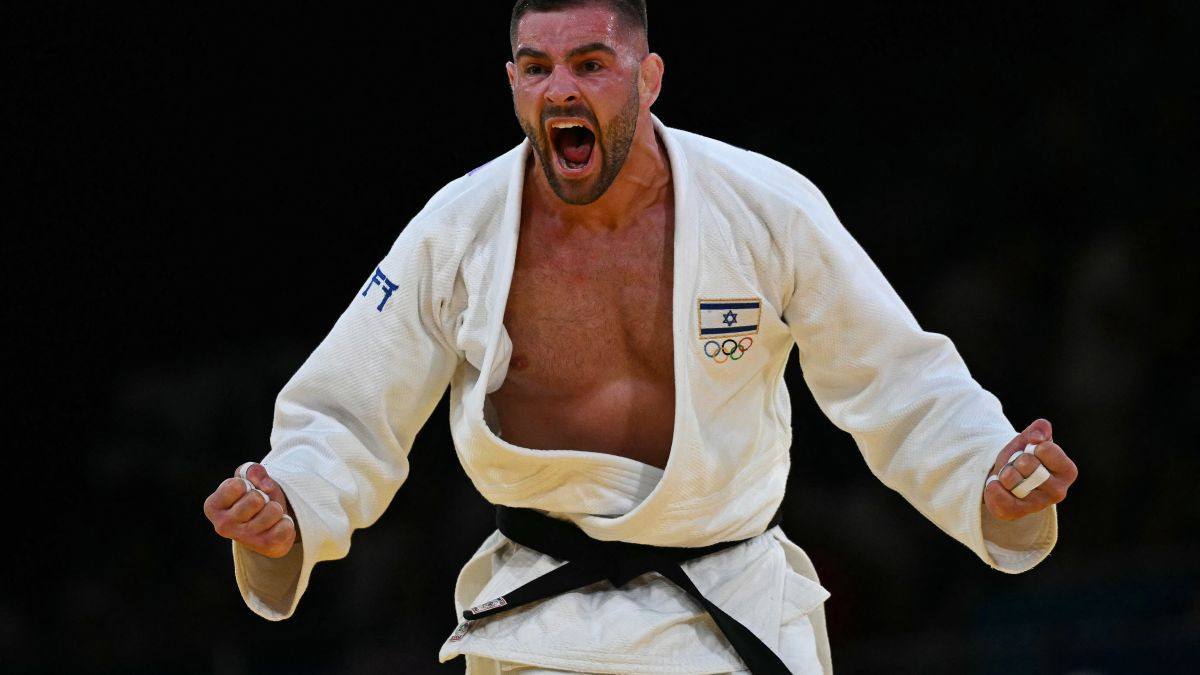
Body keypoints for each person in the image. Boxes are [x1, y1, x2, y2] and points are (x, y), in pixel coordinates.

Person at [202, 1, 1079, 672]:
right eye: (537, 68)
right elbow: (350, 412)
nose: (562, 90)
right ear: (512, 83)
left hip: (731, 616)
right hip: (536, 628)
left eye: (591, 63)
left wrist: (987, 475)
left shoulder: (765, 206)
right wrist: (291, 508)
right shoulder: (455, 230)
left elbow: (897, 380)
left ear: (648, 77)